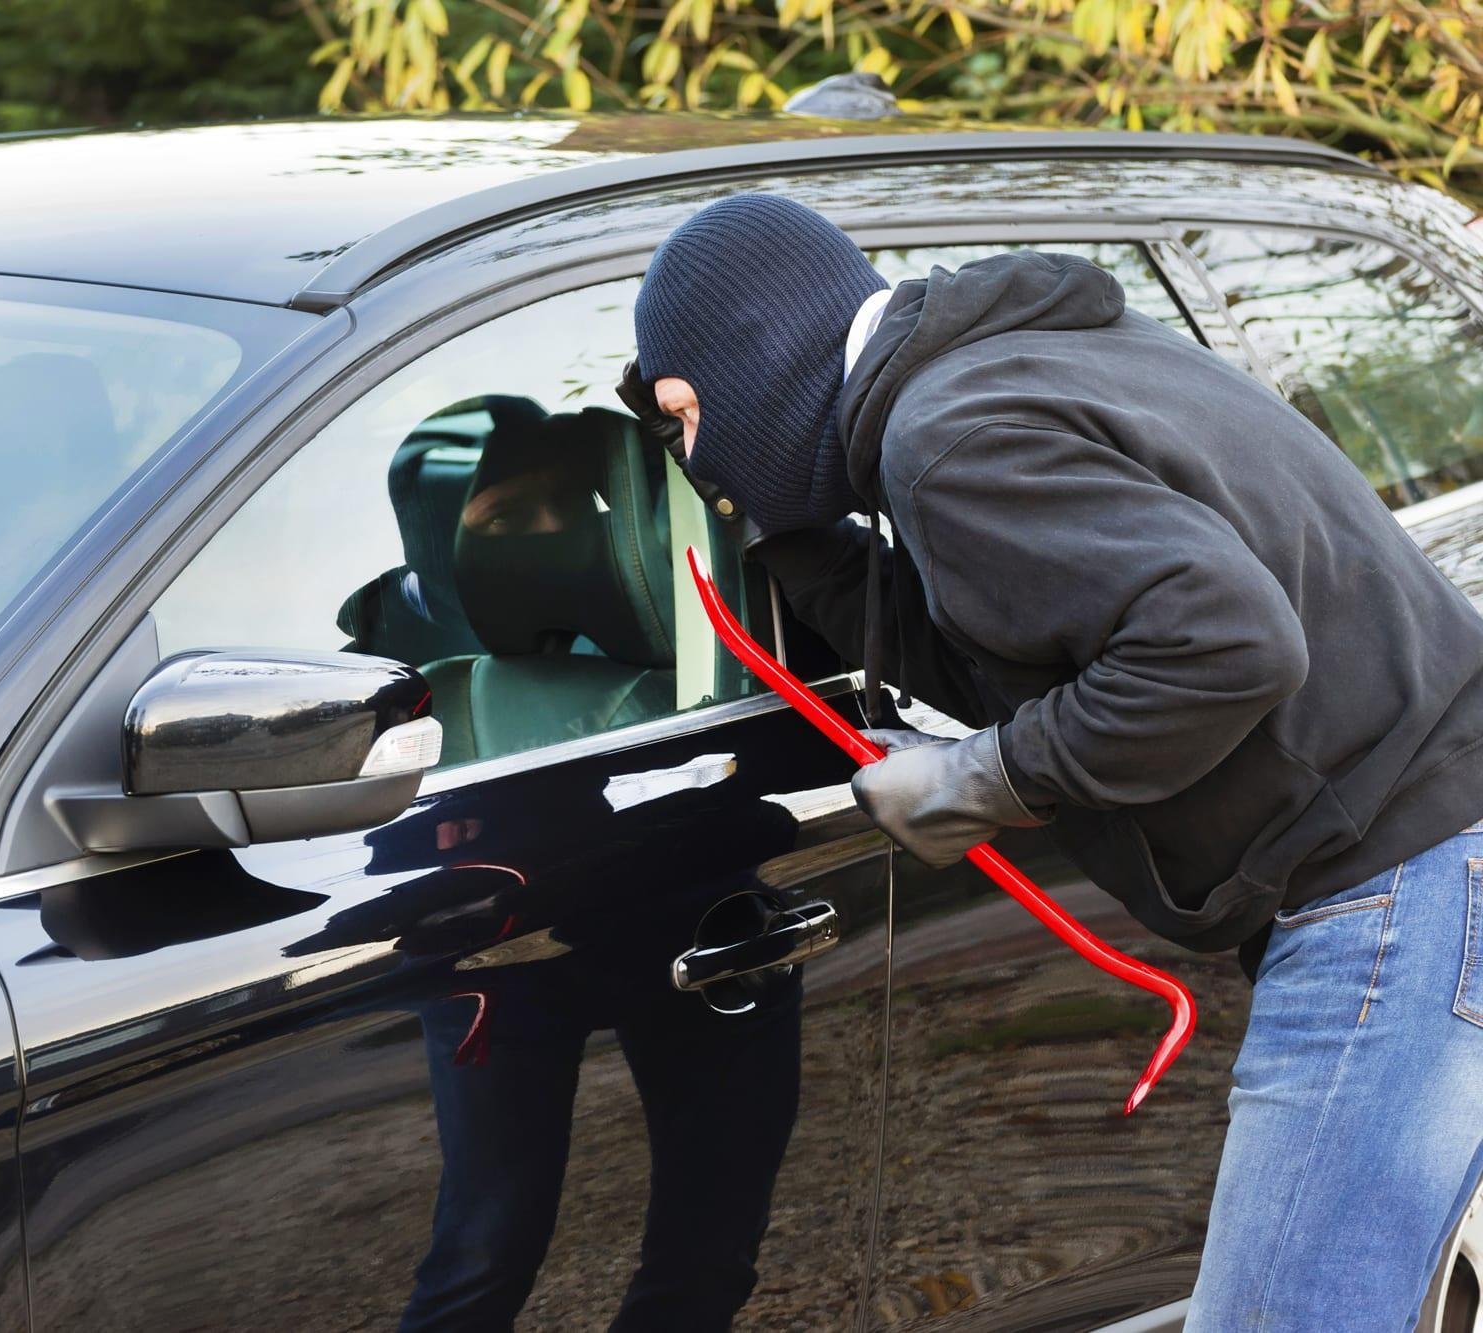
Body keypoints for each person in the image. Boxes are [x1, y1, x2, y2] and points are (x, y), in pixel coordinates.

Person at [616, 191, 1483, 1331]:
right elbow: (1015, 636)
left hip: (1391, 894)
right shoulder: (1021, 360)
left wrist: (981, 781)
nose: (692, 454)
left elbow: (1222, 644)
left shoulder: (949, 433)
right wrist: (790, 537)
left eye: (685, 415)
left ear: (753, 356)